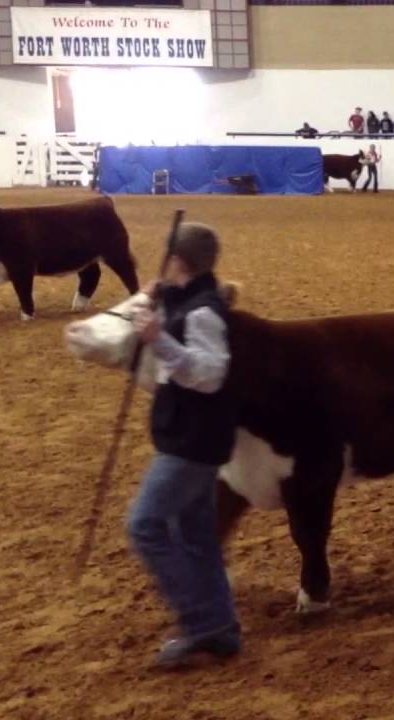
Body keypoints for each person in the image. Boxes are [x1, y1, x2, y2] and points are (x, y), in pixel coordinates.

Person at [128, 223, 240, 669]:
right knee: (196, 538)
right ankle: (221, 627)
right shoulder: (190, 301)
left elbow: (209, 375)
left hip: (191, 442)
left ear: (179, 261)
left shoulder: (202, 314)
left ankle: (200, 623)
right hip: (192, 436)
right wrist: (158, 297)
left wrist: (160, 339)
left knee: (145, 525)